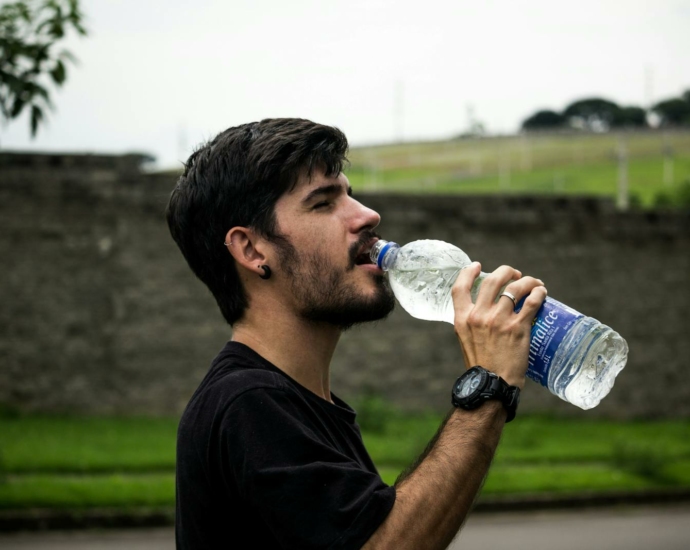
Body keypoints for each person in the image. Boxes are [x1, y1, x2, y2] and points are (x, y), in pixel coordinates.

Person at [166, 118, 546, 549]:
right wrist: (488, 387)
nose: (367, 215)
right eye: (324, 203)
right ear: (253, 250)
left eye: (349, 193)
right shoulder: (249, 404)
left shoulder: (302, 405)